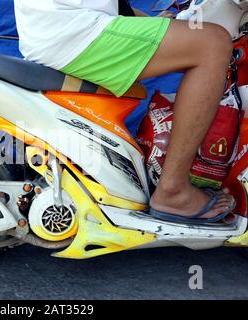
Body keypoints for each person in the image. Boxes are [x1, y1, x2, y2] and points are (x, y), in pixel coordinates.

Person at [14, 0, 236, 224]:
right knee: (212, 43)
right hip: (73, 31)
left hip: (61, 26)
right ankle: (173, 190)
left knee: (194, 35)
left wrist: (146, 22)